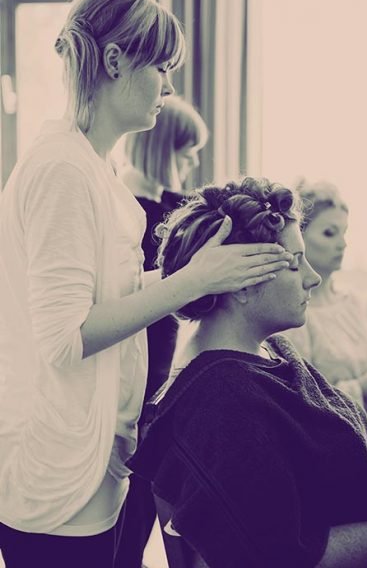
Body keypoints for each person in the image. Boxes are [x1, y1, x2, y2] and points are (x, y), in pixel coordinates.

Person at [0, 0, 292, 568]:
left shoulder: (94, 167)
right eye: (162, 67)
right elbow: (66, 337)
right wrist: (191, 282)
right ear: (114, 61)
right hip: (57, 472)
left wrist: (197, 269)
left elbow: (111, 296)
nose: (169, 87)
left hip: (94, 459)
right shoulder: (61, 170)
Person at [129, 176, 367, 568]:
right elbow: (279, 556)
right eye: (294, 263)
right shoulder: (222, 401)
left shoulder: (269, 352)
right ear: (241, 283)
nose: (312, 277)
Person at [115, 96, 208, 568]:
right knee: (131, 508)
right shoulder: (134, 211)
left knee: (147, 500)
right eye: (188, 153)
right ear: (164, 149)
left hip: (160, 371)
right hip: (139, 370)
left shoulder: (170, 205)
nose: (194, 163)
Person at [285, 180, 367, 478]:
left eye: (344, 232)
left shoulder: (350, 301)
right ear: (299, 238)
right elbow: (303, 405)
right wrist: (366, 385)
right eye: (329, 233)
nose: (343, 243)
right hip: (341, 437)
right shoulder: (295, 314)